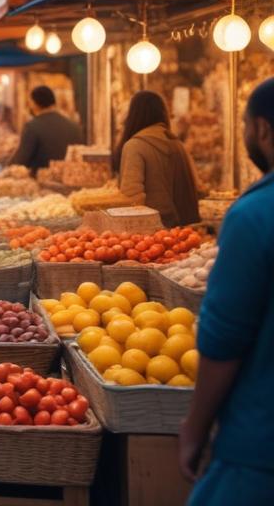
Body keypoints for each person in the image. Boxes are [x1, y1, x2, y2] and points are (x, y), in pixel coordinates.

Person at [179, 78, 274, 503]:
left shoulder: (254, 215)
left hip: (259, 444)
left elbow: (223, 340)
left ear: (263, 130)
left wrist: (194, 429)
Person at [113, 90, 201, 227]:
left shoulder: (135, 146)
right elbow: (197, 188)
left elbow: (131, 202)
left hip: (151, 239)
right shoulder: (178, 145)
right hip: (184, 234)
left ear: (133, 115)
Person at [9, 86, 85, 175]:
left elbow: (20, 161)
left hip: (43, 182)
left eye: (30, 102)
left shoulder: (32, 127)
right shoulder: (74, 127)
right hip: (72, 179)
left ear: (34, 103)